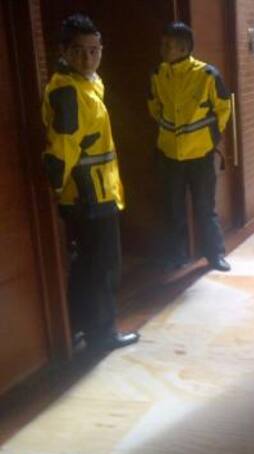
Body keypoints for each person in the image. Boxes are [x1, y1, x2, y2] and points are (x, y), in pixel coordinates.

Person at [42, 14, 139, 351]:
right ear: (63, 51)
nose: (88, 59)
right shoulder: (69, 92)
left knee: (87, 265)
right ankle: (102, 334)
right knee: (103, 267)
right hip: (88, 196)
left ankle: (82, 326)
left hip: (96, 191)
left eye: (94, 51)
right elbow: (61, 150)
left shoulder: (86, 85)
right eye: (78, 51)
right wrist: (57, 192)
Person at [148, 22, 232, 272]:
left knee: (205, 208)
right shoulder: (158, 74)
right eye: (163, 43)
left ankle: (215, 254)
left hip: (200, 155)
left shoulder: (207, 75)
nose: (162, 49)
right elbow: (154, 106)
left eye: (168, 45)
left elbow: (224, 108)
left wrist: (211, 138)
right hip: (169, 154)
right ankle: (176, 256)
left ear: (184, 48)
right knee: (172, 209)